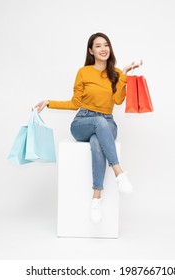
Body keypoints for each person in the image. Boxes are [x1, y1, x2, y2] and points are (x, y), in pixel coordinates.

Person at [34, 32, 141, 223]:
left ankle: (96, 198)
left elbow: (117, 101)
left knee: (96, 141)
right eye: (98, 46)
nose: (103, 49)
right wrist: (49, 102)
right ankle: (119, 173)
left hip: (108, 122)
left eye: (106, 45)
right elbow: (75, 103)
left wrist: (123, 75)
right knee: (97, 123)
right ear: (91, 50)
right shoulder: (83, 72)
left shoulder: (115, 73)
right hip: (83, 121)